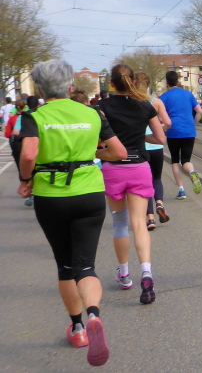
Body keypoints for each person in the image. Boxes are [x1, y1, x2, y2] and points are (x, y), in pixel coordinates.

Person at [17, 59, 128, 367]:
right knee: (86, 265)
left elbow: (29, 154)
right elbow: (119, 152)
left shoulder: (34, 116)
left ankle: (78, 329)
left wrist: (25, 180)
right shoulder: (92, 113)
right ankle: (94, 315)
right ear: (69, 86)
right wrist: (91, 153)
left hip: (51, 195)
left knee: (65, 265)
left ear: (40, 90)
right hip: (89, 193)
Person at [98, 64, 167, 305]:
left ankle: (124, 273)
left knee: (120, 224)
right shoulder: (145, 106)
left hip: (114, 169)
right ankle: (146, 273)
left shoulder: (102, 107)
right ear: (134, 82)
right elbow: (160, 138)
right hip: (139, 167)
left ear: (112, 83)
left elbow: (98, 139)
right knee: (139, 224)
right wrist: (139, 136)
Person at [135, 73, 172, 231]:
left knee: (145, 183)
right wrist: (160, 130)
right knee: (156, 178)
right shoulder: (156, 102)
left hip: (140, 146)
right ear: (149, 85)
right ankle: (160, 203)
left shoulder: (132, 101)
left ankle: (150, 218)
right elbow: (168, 122)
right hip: (156, 146)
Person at [159, 71, 202, 200]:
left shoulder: (164, 97)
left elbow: (161, 118)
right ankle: (192, 172)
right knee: (186, 160)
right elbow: (199, 111)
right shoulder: (188, 94)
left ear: (167, 82)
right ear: (177, 81)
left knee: (175, 160)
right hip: (189, 131)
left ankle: (181, 190)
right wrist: (193, 124)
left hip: (173, 131)